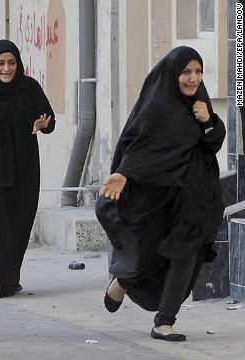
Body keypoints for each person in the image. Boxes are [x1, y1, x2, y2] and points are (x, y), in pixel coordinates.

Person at [95, 46, 225, 341]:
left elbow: (212, 143)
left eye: (198, 71)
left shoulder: (200, 103)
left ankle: (164, 322)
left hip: (194, 199)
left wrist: (208, 121)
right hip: (158, 197)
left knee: (187, 253)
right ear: (173, 73)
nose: (193, 78)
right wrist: (123, 172)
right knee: (147, 254)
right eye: (186, 72)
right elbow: (141, 144)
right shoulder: (158, 106)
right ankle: (124, 281)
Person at [0, 39, 55, 298]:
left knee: (19, 223)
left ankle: (9, 280)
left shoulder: (29, 87)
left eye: (11, 62)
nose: (6, 68)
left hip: (24, 167)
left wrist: (42, 125)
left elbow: (49, 119)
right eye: (0, 63)